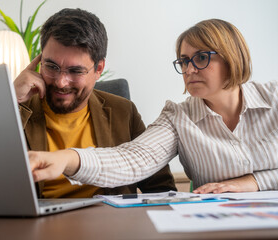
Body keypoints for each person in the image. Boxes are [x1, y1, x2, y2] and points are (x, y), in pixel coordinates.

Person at [29, 18, 278, 194]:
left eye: (201, 58)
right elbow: (132, 160)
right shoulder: (178, 117)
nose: (189, 69)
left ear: (233, 56)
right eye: (183, 61)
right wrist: (69, 158)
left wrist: (254, 182)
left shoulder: (274, 98)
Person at [14, 8, 176, 198]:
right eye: (51, 66)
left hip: (107, 222)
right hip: (37, 224)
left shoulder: (123, 112)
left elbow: (162, 190)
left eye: (75, 71)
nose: (60, 81)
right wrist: (10, 99)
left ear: (99, 69)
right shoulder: (16, 108)